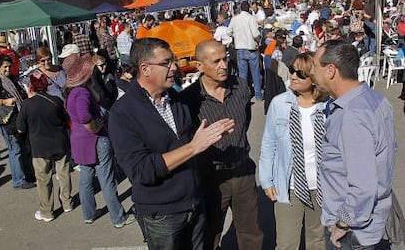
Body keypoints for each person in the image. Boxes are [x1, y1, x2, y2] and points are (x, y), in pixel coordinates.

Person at [108, 37, 234, 250]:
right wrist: (194, 147)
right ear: (145, 69)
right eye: (167, 62)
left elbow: (188, 138)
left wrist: (212, 134)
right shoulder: (123, 113)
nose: (175, 67)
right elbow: (141, 170)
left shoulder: (174, 98)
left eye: (173, 61)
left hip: (194, 202)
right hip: (163, 214)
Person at [310, 40, 397, 249]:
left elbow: (362, 185)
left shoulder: (352, 115)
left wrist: (342, 222)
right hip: (369, 222)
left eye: (314, 65)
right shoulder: (375, 99)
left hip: (351, 232)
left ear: (331, 70)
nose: (311, 72)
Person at [180, 40, 264, 250]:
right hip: (210, 177)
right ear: (199, 66)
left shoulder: (241, 86)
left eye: (225, 58)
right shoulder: (189, 100)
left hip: (243, 171)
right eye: (216, 61)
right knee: (209, 233)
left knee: (250, 233)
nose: (223, 65)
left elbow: (245, 121)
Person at [259, 52, 328, 250]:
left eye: (300, 73)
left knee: (317, 240)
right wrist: (266, 180)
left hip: (321, 185)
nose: (293, 76)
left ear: (314, 78)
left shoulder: (328, 107)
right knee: (287, 243)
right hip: (289, 185)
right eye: (292, 70)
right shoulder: (280, 104)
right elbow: (268, 143)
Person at [63, 53, 134, 228]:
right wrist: (93, 126)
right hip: (95, 139)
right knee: (106, 178)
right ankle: (118, 217)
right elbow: (86, 116)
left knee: (86, 178)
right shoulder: (81, 92)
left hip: (80, 141)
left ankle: (89, 213)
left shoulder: (73, 91)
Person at [16, 72, 72, 222]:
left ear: (31, 86)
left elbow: (20, 128)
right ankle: (67, 203)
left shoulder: (27, 105)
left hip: (39, 147)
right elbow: (65, 120)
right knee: (63, 173)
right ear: (46, 84)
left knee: (43, 179)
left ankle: (47, 212)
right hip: (59, 142)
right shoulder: (56, 101)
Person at [0, 54, 34, 189]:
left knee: (22, 146)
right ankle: (18, 180)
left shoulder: (12, 78)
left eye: (9, 66)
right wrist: (4, 101)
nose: (8, 69)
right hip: (6, 120)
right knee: (14, 148)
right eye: (5, 67)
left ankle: (27, 175)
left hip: (17, 117)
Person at [227, 1, 263, 100]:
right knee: (255, 73)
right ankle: (258, 95)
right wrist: (259, 41)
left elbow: (228, 32)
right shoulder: (251, 18)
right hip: (251, 49)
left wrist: (236, 36)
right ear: (249, 8)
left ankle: (243, 96)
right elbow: (255, 34)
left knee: (242, 75)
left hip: (240, 49)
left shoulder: (235, 19)